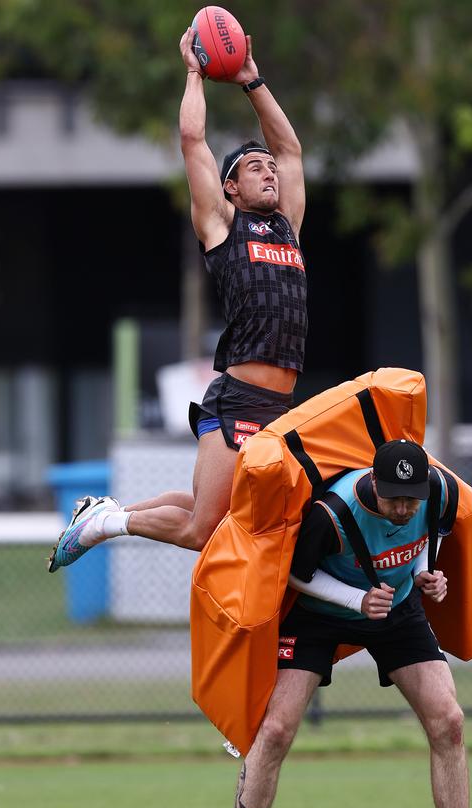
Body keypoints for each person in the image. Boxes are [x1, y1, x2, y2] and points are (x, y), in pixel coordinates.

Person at [49, 26, 307, 572]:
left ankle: (105, 511)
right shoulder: (222, 226)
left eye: (270, 169)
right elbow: (194, 141)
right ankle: (107, 524)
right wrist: (195, 73)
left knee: (223, 513)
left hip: (279, 406)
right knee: (200, 530)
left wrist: (251, 80)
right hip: (237, 400)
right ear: (229, 188)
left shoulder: (287, 227)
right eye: (252, 168)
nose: (269, 171)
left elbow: (289, 147)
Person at [223, 439, 472, 808]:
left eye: (412, 500)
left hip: (398, 606)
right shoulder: (331, 514)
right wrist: (357, 601)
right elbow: (296, 577)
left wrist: (427, 573)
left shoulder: (442, 493)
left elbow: (425, 538)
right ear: (373, 481)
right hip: (318, 615)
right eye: (393, 497)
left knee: (449, 721)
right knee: (277, 730)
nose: (403, 509)